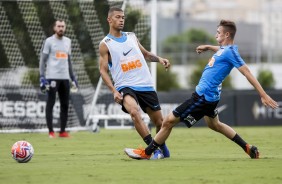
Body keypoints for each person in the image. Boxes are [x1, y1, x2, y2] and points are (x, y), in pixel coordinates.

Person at [124, 19, 279, 159]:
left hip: (202, 97)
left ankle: (147, 153)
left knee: (168, 121)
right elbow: (221, 50)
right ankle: (247, 147)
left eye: (218, 33)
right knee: (215, 125)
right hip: (210, 98)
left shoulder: (231, 52)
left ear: (226, 34)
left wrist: (263, 95)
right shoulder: (225, 50)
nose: (215, 35)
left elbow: (247, 72)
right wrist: (208, 47)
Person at [99, 7, 171, 159]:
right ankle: (153, 150)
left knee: (160, 122)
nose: (121, 20)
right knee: (134, 112)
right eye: (118, 17)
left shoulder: (131, 36)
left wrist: (160, 59)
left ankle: (161, 146)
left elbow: (146, 55)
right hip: (125, 86)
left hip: (145, 83)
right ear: (109, 20)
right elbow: (103, 70)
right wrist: (114, 91)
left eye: (123, 17)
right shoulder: (105, 44)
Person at [39, 20, 78, 138]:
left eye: (62, 26)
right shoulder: (49, 41)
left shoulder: (68, 41)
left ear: (65, 28)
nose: (61, 28)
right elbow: (42, 60)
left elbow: (69, 61)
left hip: (65, 78)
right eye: (58, 26)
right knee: (50, 104)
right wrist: (42, 76)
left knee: (65, 105)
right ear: (54, 28)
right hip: (52, 77)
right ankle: (51, 131)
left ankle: (62, 131)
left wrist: (73, 77)